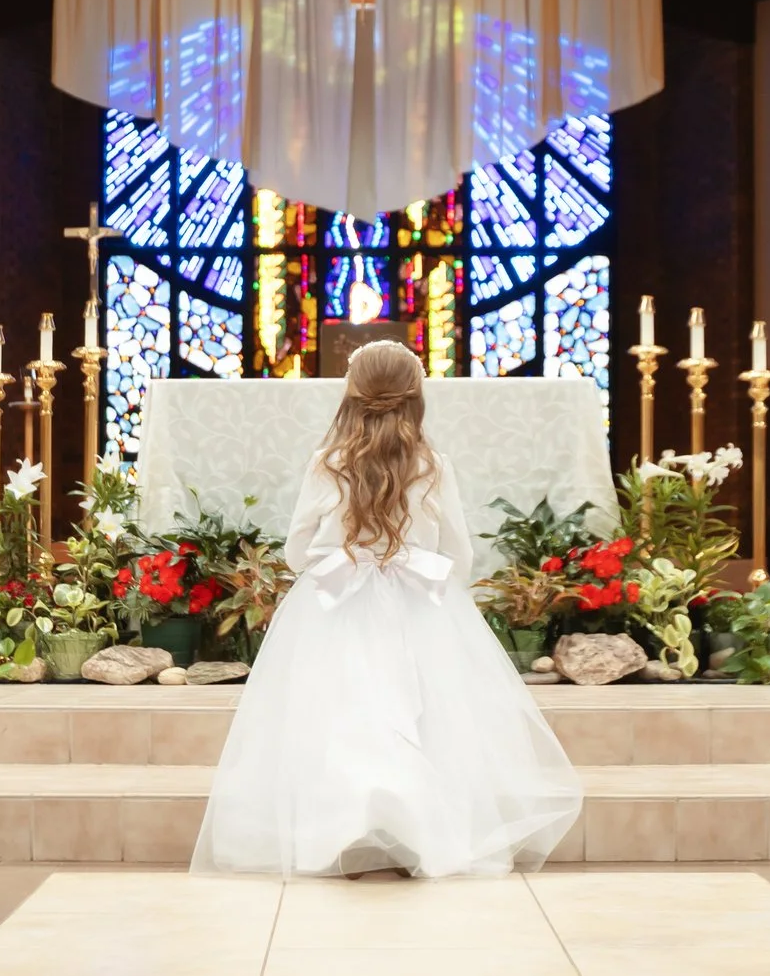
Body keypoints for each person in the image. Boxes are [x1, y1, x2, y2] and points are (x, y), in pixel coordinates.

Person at [190, 340, 583, 878]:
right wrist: (427, 580)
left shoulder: (327, 464)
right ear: (416, 395)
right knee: (423, 716)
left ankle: (338, 835)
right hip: (419, 605)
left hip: (336, 605)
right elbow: (459, 552)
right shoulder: (433, 465)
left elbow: (298, 551)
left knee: (342, 713)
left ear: (351, 394)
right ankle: (417, 836)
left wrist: (347, 562)